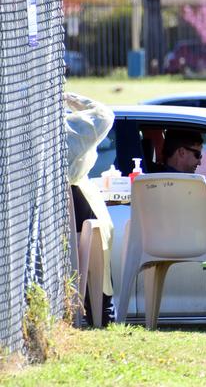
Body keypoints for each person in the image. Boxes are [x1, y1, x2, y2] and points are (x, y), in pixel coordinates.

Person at [65, 92, 115, 326]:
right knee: (96, 252)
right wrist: (68, 97)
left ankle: (98, 309)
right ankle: (101, 310)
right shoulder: (68, 132)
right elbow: (104, 115)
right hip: (75, 201)